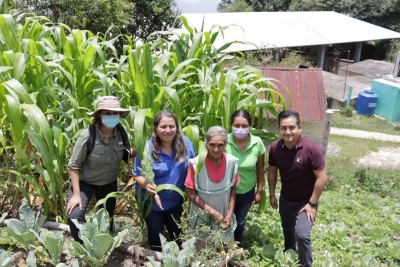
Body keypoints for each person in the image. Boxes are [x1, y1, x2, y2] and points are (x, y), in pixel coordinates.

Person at [67, 95, 136, 243]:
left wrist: (145, 150)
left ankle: (103, 247)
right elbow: (74, 166)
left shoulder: (121, 133)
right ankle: (83, 246)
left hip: (108, 182)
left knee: (107, 219)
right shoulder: (88, 135)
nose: (112, 117)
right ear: (99, 114)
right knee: (75, 215)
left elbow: (127, 152)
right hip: (85, 182)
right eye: (107, 113)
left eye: (115, 113)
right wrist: (76, 195)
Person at [267, 110, 327, 267]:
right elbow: (272, 171)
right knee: (287, 230)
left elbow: (322, 177)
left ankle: (305, 264)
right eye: (283, 128)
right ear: (279, 128)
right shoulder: (275, 148)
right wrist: (272, 194)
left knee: (301, 234)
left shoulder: (311, 149)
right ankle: (289, 257)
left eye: (292, 127)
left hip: (306, 202)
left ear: (299, 128)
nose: (288, 132)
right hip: (286, 199)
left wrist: (312, 203)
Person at [133, 110, 196, 251]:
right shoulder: (146, 148)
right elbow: (137, 174)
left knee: (176, 233)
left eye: (171, 126)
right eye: (163, 127)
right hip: (152, 203)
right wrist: (146, 184)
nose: (168, 130)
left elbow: (195, 166)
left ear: (177, 127)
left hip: (175, 201)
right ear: (155, 127)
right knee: (155, 236)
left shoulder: (186, 143)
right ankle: (157, 258)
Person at [185, 126, 240, 241]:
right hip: (201, 213)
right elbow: (191, 194)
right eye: (212, 145)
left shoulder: (232, 162)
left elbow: (233, 190)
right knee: (201, 247)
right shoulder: (196, 164)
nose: (216, 149)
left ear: (225, 145)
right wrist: (212, 212)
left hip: (224, 215)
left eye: (220, 145)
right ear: (206, 144)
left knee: (225, 249)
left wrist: (229, 214)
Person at [225, 110, 265, 247]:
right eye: (237, 125)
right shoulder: (224, 141)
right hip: (228, 190)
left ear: (250, 126)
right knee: (227, 218)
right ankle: (225, 244)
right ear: (231, 125)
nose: (240, 129)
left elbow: (260, 169)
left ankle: (238, 242)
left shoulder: (257, 143)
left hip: (248, 190)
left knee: (240, 219)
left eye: (244, 125)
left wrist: (259, 191)